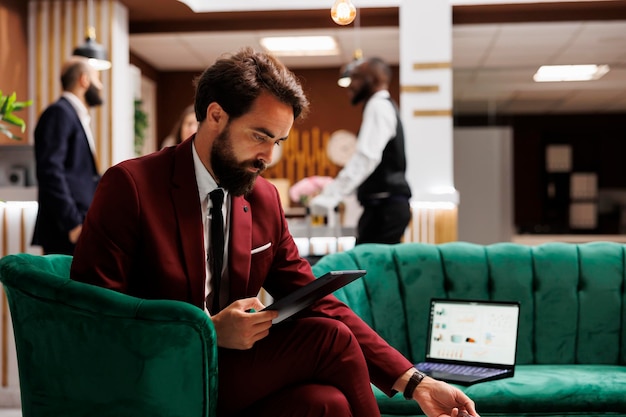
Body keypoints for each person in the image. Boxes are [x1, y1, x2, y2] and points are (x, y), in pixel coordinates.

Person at [70, 47, 479, 417]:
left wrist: (417, 382)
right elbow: (92, 319)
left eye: (278, 141)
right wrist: (207, 331)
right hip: (155, 374)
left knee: (328, 404)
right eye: (260, 136)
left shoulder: (262, 198)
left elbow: (318, 301)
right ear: (215, 115)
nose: (268, 156)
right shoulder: (131, 185)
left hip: (228, 373)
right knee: (328, 339)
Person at [310, 57, 412, 245]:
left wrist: (330, 196)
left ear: (372, 80)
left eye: (356, 77)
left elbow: (366, 158)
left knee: (369, 269)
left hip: (385, 209)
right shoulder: (383, 106)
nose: (350, 85)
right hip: (383, 208)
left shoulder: (378, 106)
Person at [32, 56, 103, 255]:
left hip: (80, 223)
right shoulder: (59, 113)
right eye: (98, 79)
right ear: (84, 80)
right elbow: (50, 171)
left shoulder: (74, 115)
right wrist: (72, 223)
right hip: (66, 229)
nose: (100, 87)